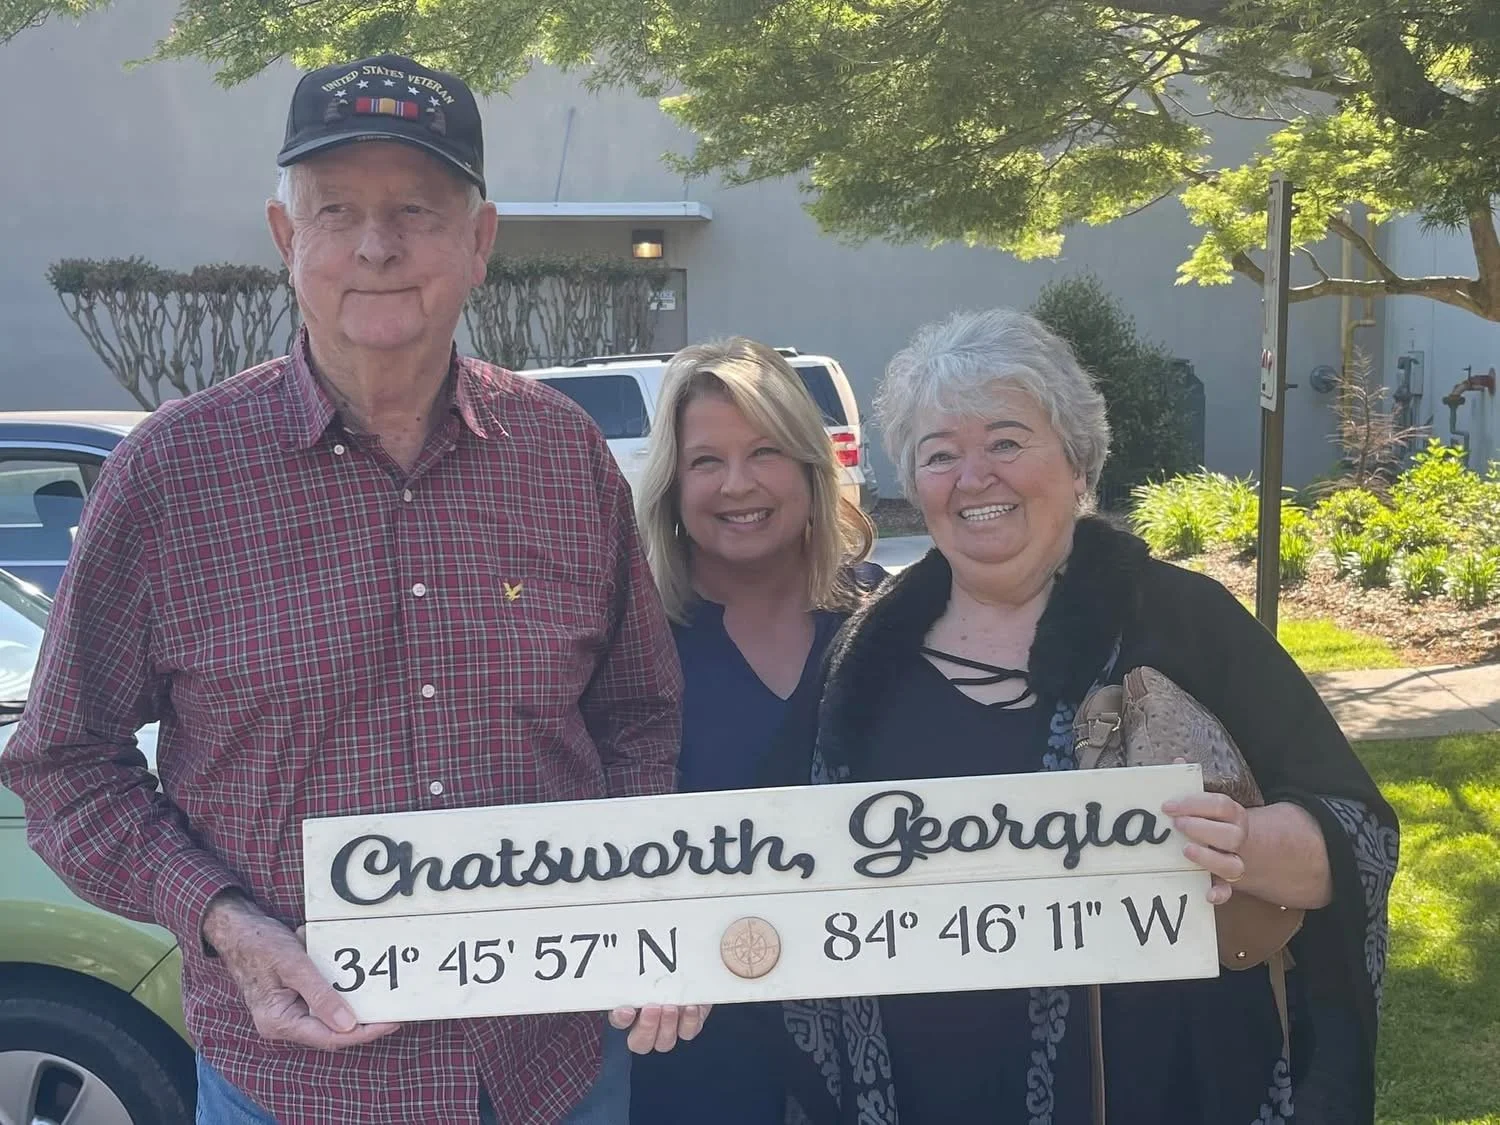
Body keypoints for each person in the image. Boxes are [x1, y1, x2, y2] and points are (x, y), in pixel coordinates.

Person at [0, 53, 706, 1125]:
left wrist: (640, 906)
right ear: (290, 243)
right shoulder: (173, 475)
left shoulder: (563, 459)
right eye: (338, 210)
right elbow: (63, 764)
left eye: (417, 210)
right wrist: (226, 921)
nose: (377, 246)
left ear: (480, 243)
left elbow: (638, 720)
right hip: (291, 1085)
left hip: (549, 1071)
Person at [762, 309, 1399, 1125]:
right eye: (940, 454)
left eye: (1005, 441)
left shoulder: (1184, 624)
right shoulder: (860, 659)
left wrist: (1243, 842)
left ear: (1075, 460)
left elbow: (1357, 833)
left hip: (1158, 1094)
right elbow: (766, 871)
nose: (973, 476)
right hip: (917, 1096)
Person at [625, 338, 884, 1125]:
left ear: (811, 467)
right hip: (690, 1040)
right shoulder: (630, 639)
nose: (737, 484)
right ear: (672, 485)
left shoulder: (893, 622)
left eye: (765, 451)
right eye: (707, 461)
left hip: (869, 1035)